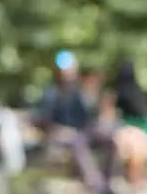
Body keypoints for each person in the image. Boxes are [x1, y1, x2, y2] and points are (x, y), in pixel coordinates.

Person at [34, 59, 117, 194]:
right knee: (77, 141)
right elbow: (44, 118)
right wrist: (57, 129)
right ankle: (97, 187)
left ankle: (105, 182)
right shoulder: (51, 93)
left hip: (83, 131)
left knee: (109, 140)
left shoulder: (79, 91)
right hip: (62, 134)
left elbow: (88, 116)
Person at [110, 61, 147, 190]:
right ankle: (136, 179)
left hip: (131, 128)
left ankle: (135, 179)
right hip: (136, 129)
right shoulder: (135, 91)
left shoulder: (119, 92)